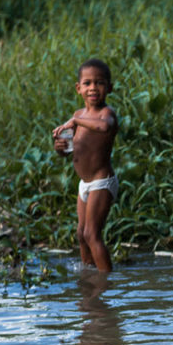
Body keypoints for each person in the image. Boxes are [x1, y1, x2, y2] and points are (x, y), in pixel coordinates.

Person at [53, 58, 120, 273]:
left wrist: (76, 122)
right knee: (81, 234)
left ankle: (106, 280)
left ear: (109, 88)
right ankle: (89, 275)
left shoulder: (105, 114)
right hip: (85, 184)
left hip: (102, 182)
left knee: (92, 233)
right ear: (78, 88)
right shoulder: (78, 116)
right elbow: (71, 150)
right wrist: (60, 147)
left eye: (99, 83)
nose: (93, 88)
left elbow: (103, 127)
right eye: (88, 83)